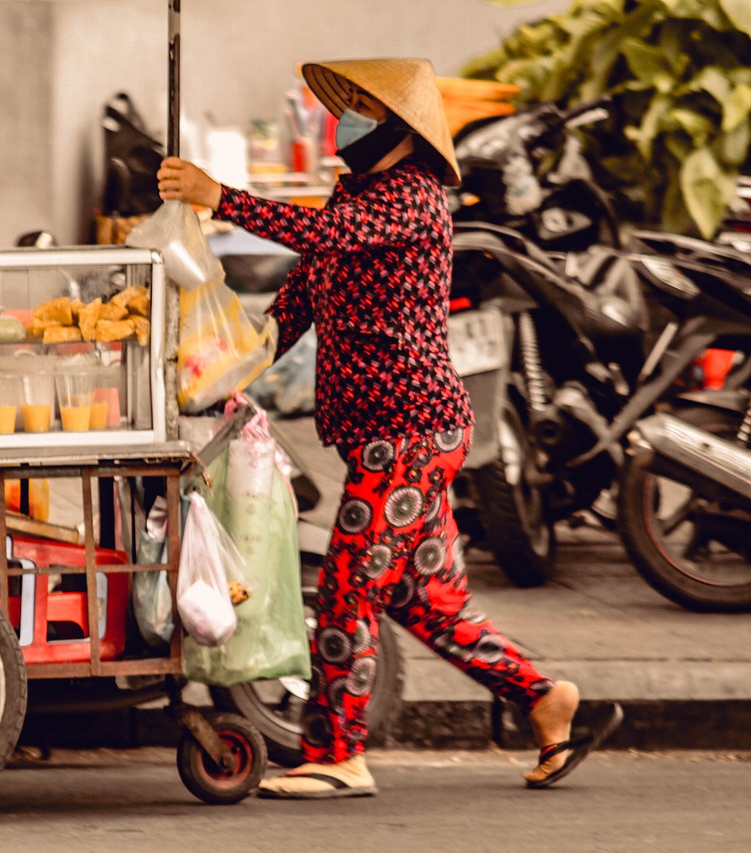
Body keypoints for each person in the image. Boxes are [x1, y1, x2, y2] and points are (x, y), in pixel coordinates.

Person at [158, 58, 622, 798]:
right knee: (423, 598)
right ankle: (543, 699)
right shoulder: (357, 192)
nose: (345, 125)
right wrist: (240, 356)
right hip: (380, 431)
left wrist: (220, 196)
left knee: (346, 587)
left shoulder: (413, 198)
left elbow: (320, 232)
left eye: (362, 110)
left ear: (400, 128)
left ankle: (339, 751)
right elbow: (308, 282)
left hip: (411, 428)